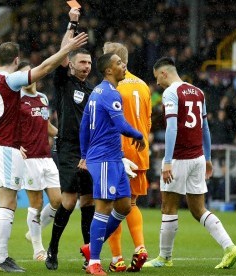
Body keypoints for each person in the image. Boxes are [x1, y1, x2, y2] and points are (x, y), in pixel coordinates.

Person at [0, 33, 88, 273]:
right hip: (4, 148)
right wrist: (66, 50)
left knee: (8, 201)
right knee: (8, 202)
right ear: (16, 60)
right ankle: (0, 258)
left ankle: (2, 257)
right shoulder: (10, 80)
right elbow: (44, 68)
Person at [144, 57, 236, 269]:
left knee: (168, 207)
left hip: (179, 158)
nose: (158, 84)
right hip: (198, 158)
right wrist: (207, 158)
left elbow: (172, 128)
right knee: (198, 209)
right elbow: (205, 128)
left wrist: (168, 161)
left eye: (157, 79)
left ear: (163, 73)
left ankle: (164, 258)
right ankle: (230, 247)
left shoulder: (171, 93)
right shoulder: (198, 92)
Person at [78, 52, 146, 275]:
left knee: (124, 205)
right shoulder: (110, 94)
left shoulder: (97, 91)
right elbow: (121, 125)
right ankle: (94, 262)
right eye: (118, 63)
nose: (123, 65)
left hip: (113, 157)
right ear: (109, 70)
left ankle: (91, 248)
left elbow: (84, 125)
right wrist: (139, 135)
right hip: (105, 158)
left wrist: (85, 155)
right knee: (104, 207)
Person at [45, 8, 95, 271]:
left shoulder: (91, 90)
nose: (86, 67)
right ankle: (53, 248)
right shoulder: (64, 82)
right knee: (68, 201)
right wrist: (72, 25)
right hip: (67, 148)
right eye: (82, 63)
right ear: (72, 64)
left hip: (89, 151)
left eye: (89, 63)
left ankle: (90, 255)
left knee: (89, 202)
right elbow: (60, 55)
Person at [102, 42, 152, 272]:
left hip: (118, 152)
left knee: (113, 205)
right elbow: (149, 122)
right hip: (140, 151)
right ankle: (140, 247)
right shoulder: (143, 85)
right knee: (131, 203)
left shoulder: (113, 87)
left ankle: (117, 259)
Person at [17, 61, 62, 261]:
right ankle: (38, 249)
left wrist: (61, 135)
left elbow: (46, 125)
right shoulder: (16, 100)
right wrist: (15, 146)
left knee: (58, 201)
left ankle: (32, 232)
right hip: (29, 159)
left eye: (29, 73)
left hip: (46, 156)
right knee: (35, 203)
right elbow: (8, 128)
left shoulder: (43, 98)